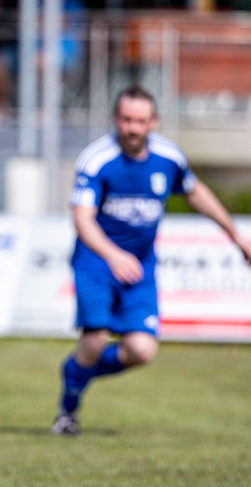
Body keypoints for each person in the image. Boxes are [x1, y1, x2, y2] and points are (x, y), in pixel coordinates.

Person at [52, 84, 251, 435]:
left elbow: (196, 193)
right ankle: (67, 413)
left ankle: (76, 372)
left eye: (140, 121)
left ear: (154, 122)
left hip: (140, 267)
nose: (132, 128)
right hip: (96, 261)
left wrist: (235, 235)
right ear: (116, 119)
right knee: (95, 339)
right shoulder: (97, 159)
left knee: (142, 349)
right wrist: (112, 255)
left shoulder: (169, 158)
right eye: (126, 119)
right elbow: (82, 217)